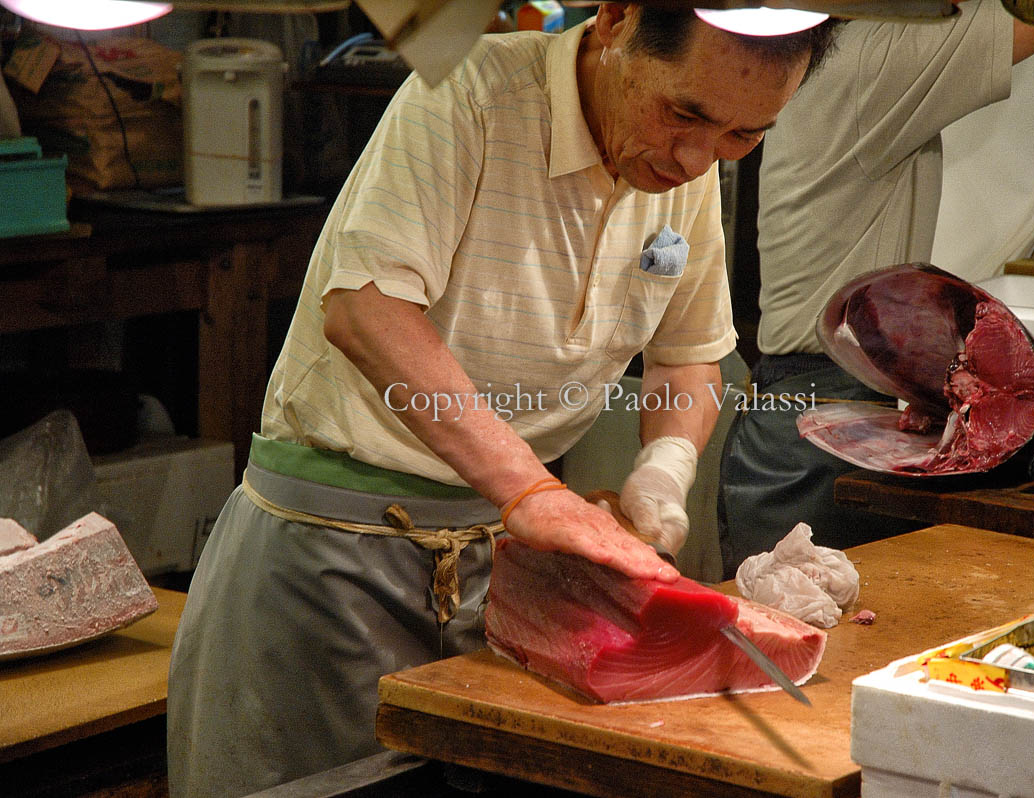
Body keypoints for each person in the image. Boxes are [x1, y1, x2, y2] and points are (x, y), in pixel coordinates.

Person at [167, 5, 839, 796]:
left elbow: (689, 361)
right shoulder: (469, 91)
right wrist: (529, 488)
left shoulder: (678, 168)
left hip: (511, 574)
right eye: (684, 112)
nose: (699, 157)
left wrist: (663, 469)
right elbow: (367, 310)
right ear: (617, 20)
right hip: (333, 556)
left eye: (744, 137)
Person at [718, 0, 1034, 578]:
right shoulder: (863, 61)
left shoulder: (828, 56)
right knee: (795, 651)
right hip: (818, 429)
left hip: (816, 411)